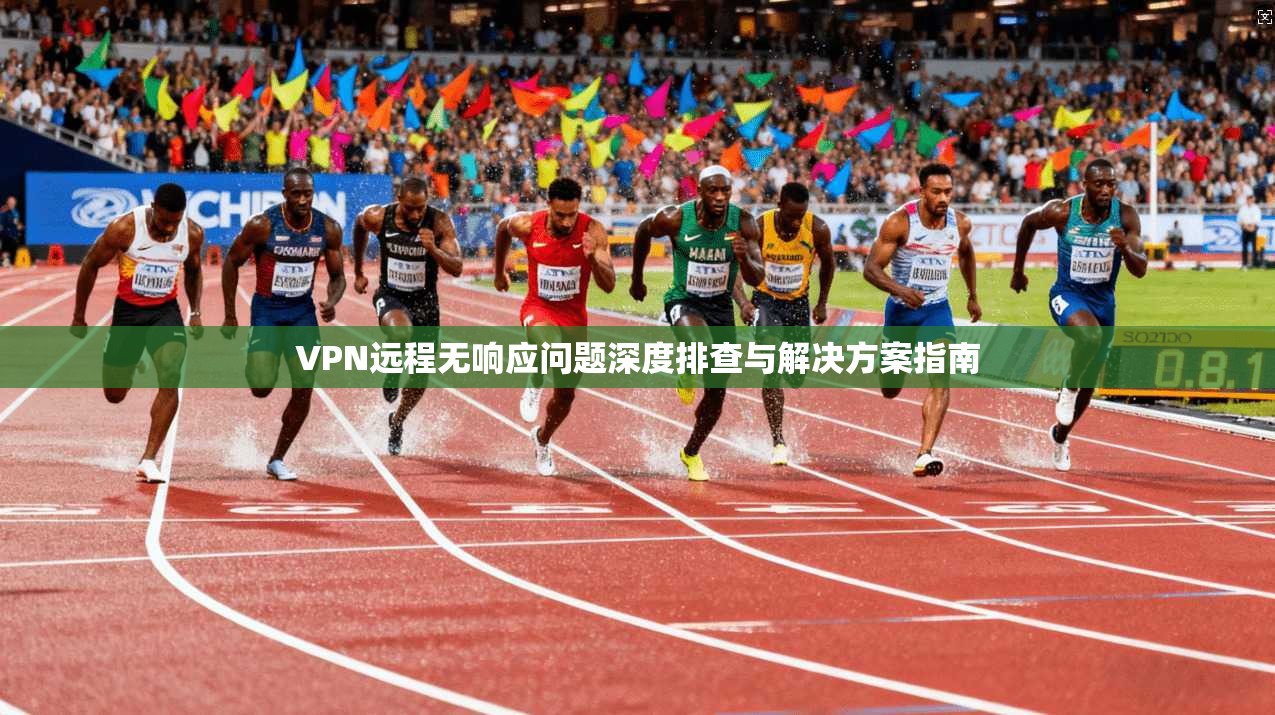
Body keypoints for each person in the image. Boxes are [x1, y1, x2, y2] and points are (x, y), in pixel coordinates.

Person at [1012, 158, 1147, 471]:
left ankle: (1060, 436)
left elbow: (1140, 269)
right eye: (1099, 184)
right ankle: (1068, 386)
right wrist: (1018, 271)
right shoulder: (1062, 212)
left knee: (1090, 382)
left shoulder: (1126, 216)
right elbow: (1028, 224)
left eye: (1111, 184)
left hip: (1103, 303)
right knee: (1089, 337)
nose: (1106, 190)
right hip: (1067, 295)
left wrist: (1125, 248)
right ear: (1084, 185)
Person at [630, 165, 764, 481]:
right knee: (699, 346)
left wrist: (743, 258)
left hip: (720, 308)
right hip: (684, 300)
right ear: (699, 191)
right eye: (713, 191)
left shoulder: (744, 223)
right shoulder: (675, 218)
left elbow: (757, 277)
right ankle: (688, 367)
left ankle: (690, 453)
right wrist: (637, 279)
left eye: (725, 191)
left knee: (716, 396)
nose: (719, 197)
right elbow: (643, 232)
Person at [70, 183, 205, 483]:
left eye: (175, 222)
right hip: (128, 313)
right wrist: (79, 316)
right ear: (153, 208)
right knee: (114, 394)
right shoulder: (125, 229)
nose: (169, 229)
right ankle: (133, 360)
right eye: (164, 221)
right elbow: (90, 264)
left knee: (171, 375)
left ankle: (149, 459)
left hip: (165, 311)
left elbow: (195, 270)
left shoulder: (192, 233)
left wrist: (195, 311)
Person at [221, 168, 346, 481]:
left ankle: (277, 458)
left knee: (304, 386)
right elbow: (231, 262)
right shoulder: (263, 225)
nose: (303, 200)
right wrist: (230, 314)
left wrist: (332, 301)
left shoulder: (327, 228)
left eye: (308, 193)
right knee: (261, 387)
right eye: (296, 194)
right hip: (267, 310)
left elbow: (338, 276)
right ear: (284, 194)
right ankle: (255, 354)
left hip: (302, 312)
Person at [492, 177, 616, 476]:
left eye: (572, 214)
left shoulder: (592, 230)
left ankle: (543, 438)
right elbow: (502, 230)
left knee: (565, 396)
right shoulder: (527, 224)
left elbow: (609, 285)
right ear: (548, 205)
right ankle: (534, 382)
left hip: (573, 317)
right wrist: (499, 271)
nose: (566, 221)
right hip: (539, 307)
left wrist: (593, 258)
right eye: (560, 215)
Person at [865, 163, 981, 478]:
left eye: (948, 192)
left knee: (941, 376)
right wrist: (901, 290)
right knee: (890, 388)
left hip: (936, 310)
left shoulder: (960, 223)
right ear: (922, 191)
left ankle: (924, 453)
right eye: (936, 192)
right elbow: (871, 269)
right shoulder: (899, 222)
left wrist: (972, 295)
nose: (943, 198)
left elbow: (966, 253)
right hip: (901, 312)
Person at [352, 176, 463, 456]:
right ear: (398, 199)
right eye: (409, 208)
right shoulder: (379, 216)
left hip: (426, 302)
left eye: (420, 208)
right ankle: (392, 369)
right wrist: (358, 271)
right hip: (392, 295)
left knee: (420, 376)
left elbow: (457, 267)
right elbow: (359, 225)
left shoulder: (439, 222)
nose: (415, 215)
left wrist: (433, 249)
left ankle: (397, 421)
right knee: (401, 333)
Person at [751, 182, 835, 466]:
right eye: (791, 216)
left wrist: (822, 303)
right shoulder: (761, 226)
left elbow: (829, 264)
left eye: (801, 215)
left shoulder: (817, 228)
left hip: (798, 304)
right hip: (766, 301)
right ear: (779, 206)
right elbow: (742, 263)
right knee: (772, 364)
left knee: (796, 375)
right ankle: (778, 440)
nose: (797, 222)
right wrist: (745, 302)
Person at [1238, 194, 1262, 269]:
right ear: (1247, 200)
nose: (1249, 201)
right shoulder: (1243, 208)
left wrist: (1252, 227)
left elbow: (1257, 219)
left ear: (1253, 200)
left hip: (1253, 228)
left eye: (1251, 199)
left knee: (1254, 247)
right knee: (1244, 247)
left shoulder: (1256, 208)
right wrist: (1245, 226)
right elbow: (1239, 219)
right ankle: (1244, 263)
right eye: (1248, 199)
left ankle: (1254, 263)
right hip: (1245, 228)